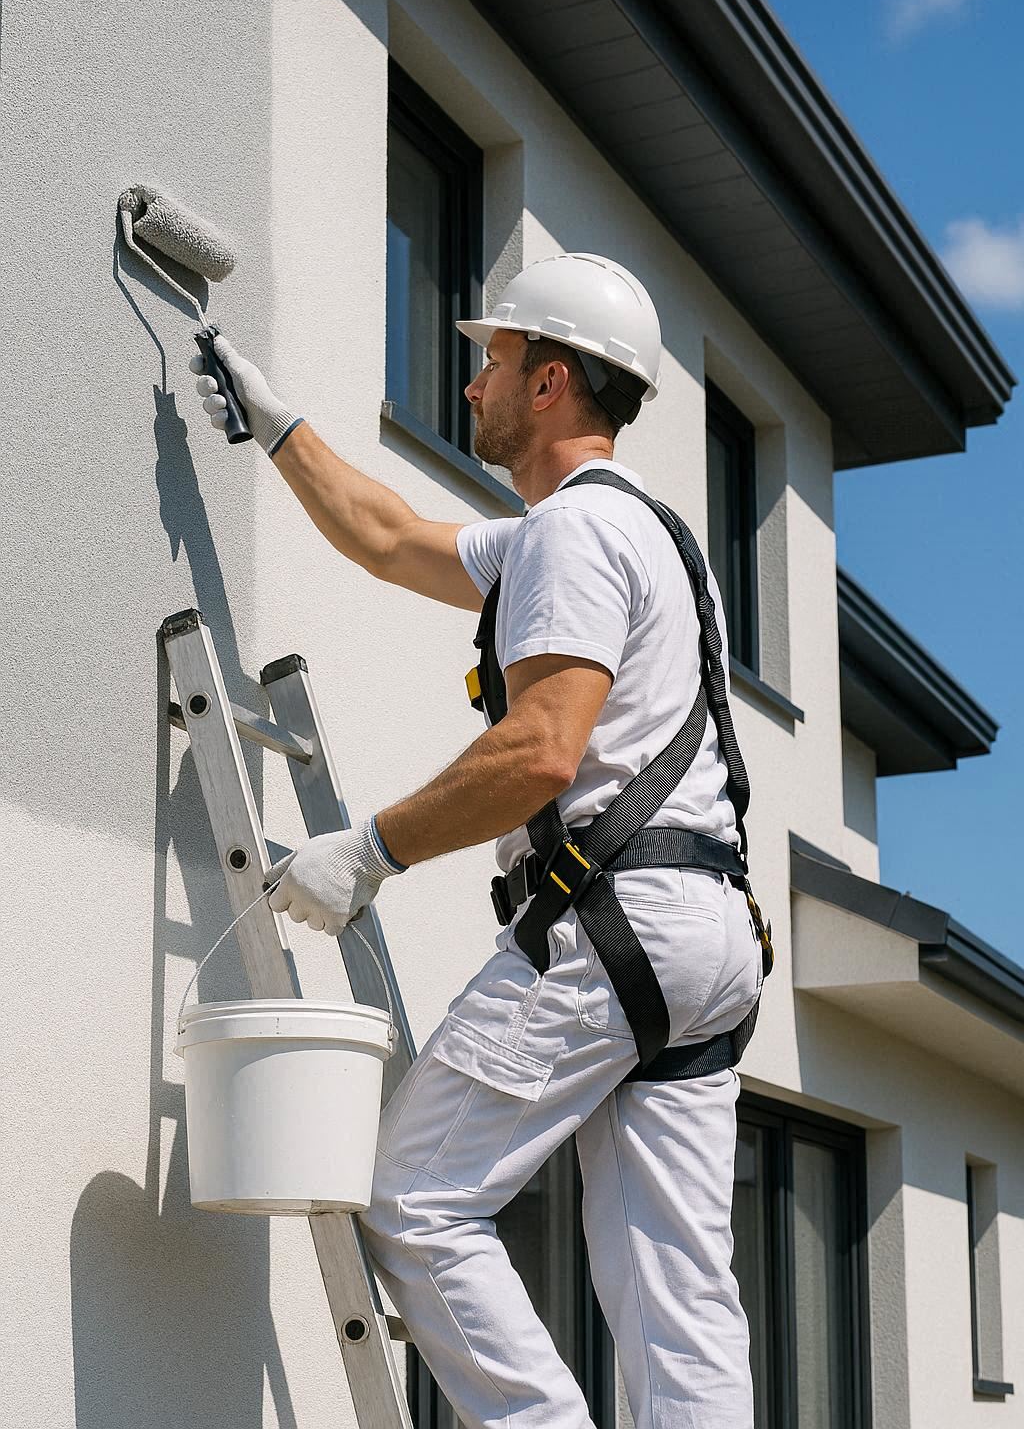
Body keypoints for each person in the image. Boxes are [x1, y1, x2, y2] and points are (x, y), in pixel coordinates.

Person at [190, 252, 767, 1429]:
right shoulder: (640, 535)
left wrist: (369, 852)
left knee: (413, 1201)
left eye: (492, 363)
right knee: (677, 1296)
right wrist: (275, 423)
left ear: (549, 382)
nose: (471, 388)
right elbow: (389, 535)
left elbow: (543, 749)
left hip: (612, 930)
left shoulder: (567, 539)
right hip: (708, 938)